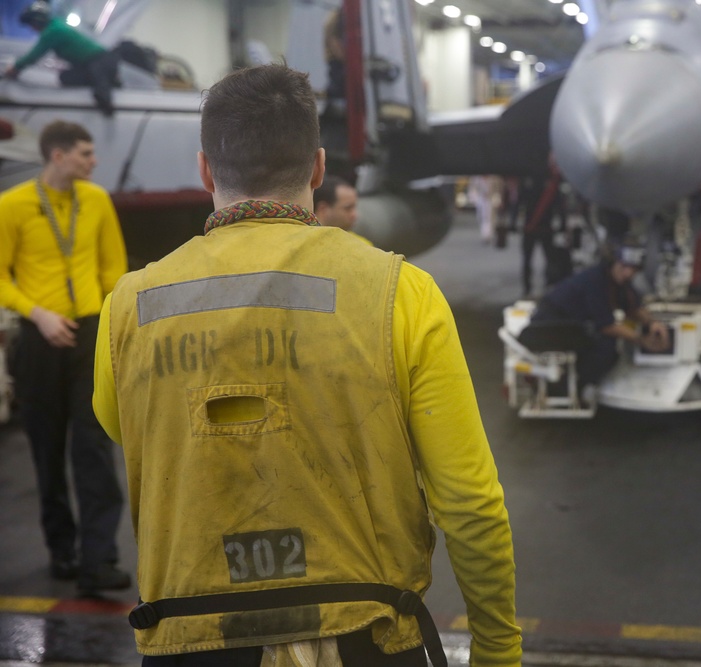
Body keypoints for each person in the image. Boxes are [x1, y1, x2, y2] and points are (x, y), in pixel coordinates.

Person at [92, 64, 520, 667]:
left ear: (206, 169)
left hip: (190, 638)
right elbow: (472, 503)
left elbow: (125, 427)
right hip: (366, 634)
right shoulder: (400, 292)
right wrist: (498, 649)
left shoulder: (128, 307)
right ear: (318, 167)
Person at [0, 120, 129, 591]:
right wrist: (38, 314)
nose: (94, 162)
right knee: (46, 450)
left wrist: (115, 328)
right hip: (39, 337)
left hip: (90, 333)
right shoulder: (12, 207)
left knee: (93, 447)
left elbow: (114, 268)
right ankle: (62, 552)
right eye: (85, 154)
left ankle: (99, 559)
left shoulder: (96, 201)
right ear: (58, 156)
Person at [527, 244, 671, 389]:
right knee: (605, 349)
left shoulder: (617, 282)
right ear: (614, 263)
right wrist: (641, 340)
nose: (627, 273)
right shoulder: (596, 282)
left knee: (603, 344)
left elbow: (632, 307)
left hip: (568, 326)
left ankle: (575, 385)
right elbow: (606, 326)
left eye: (633, 270)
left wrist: (653, 323)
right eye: (624, 267)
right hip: (552, 325)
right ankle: (577, 387)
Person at [4, 1, 120, 117]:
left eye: (31, 25)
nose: (32, 29)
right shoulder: (56, 25)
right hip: (96, 63)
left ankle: (110, 110)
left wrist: (15, 68)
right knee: (66, 77)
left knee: (102, 95)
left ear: (37, 21)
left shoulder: (53, 31)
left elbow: (34, 55)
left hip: (100, 62)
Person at [517, 160, 571, 296]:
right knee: (550, 259)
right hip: (546, 227)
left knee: (527, 259)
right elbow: (560, 206)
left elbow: (518, 202)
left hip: (530, 226)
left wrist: (512, 221)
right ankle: (549, 286)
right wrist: (563, 225)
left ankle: (527, 288)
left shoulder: (526, 179)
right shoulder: (551, 182)